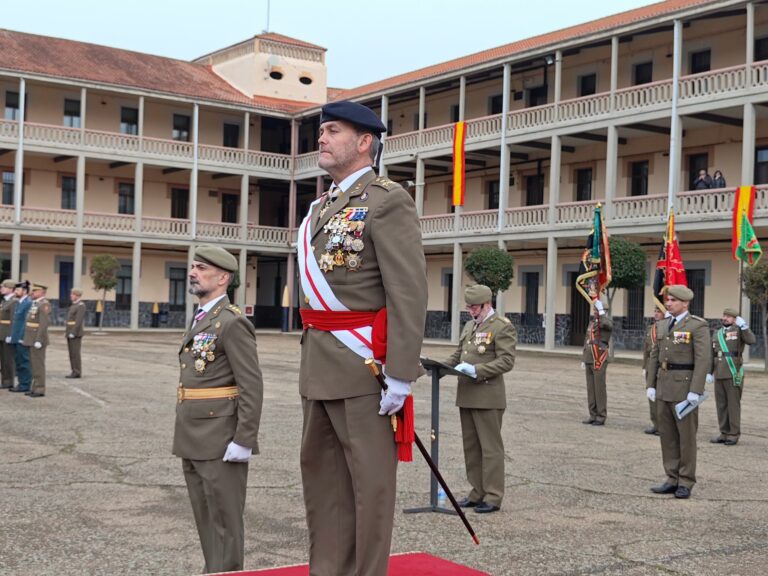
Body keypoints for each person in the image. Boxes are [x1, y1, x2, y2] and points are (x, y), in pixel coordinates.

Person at [297, 100, 427, 576]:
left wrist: (400, 374)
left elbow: (407, 291)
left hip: (363, 371)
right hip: (319, 367)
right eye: (321, 131)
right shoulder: (322, 207)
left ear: (365, 141)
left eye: (332, 130)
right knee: (323, 485)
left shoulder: (388, 199)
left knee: (368, 489)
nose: (322, 139)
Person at [172, 245, 264, 574]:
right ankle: (214, 569)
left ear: (223, 278)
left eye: (201, 268)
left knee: (225, 521)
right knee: (205, 519)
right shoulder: (202, 318)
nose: (193, 272)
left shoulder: (231, 323)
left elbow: (251, 385)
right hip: (192, 433)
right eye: (193, 267)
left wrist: (244, 439)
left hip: (220, 438)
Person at [444, 284, 516, 514]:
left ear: (487, 304)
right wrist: (433, 368)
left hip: (487, 396)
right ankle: (477, 492)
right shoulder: (469, 326)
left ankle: (493, 496)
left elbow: (506, 361)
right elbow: (458, 355)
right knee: (471, 448)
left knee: (490, 449)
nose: (470, 311)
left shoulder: (501, 327)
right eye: (468, 307)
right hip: (467, 395)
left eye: (474, 307)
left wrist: (478, 370)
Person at [646, 285, 711, 499]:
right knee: (667, 436)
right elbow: (655, 355)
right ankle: (671, 478)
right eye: (668, 300)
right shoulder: (664, 324)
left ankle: (686, 481)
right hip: (664, 386)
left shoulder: (697, 326)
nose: (668, 303)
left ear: (685, 303)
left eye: (673, 300)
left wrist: (696, 389)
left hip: (684, 389)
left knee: (686, 438)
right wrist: (651, 384)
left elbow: (703, 359)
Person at [709, 307, 755, 446]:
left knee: (733, 405)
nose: (725, 318)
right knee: (721, 405)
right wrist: (709, 372)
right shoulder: (717, 333)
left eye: (729, 316)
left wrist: (744, 326)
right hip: (719, 373)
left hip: (733, 372)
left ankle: (733, 434)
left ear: (735, 320)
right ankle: (724, 432)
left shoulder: (739, 330)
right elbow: (712, 353)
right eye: (724, 315)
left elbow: (751, 340)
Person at [582, 297, 613, 426]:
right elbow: (587, 340)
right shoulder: (592, 322)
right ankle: (593, 414)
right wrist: (583, 358)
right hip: (590, 357)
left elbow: (607, 325)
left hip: (599, 357)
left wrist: (601, 313)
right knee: (591, 388)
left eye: (597, 309)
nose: (594, 311)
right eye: (594, 309)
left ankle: (601, 415)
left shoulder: (606, 321)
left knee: (599, 388)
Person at [22, 283, 50, 398]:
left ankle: (40, 388)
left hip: (37, 339)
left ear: (42, 292)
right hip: (31, 338)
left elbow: (43, 324)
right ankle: (35, 387)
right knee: (33, 364)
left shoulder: (44, 304)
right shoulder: (36, 303)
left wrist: (39, 340)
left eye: (35, 291)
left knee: (38, 365)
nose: (32, 292)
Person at [642, 307, 666, 435]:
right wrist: (644, 366)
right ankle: (655, 424)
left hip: (662, 366)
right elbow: (646, 350)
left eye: (659, 311)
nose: (656, 314)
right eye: (655, 311)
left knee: (661, 397)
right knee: (651, 396)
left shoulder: (667, 328)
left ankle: (663, 425)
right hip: (650, 366)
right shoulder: (650, 329)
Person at [8, 280, 32, 394]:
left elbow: (26, 322)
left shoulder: (28, 303)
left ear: (25, 291)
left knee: (24, 361)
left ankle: (25, 384)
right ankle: (22, 383)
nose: (15, 291)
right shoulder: (19, 303)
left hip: (22, 338)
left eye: (18, 289)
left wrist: (23, 337)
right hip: (16, 337)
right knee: (18, 361)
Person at [65, 288, 86, 378]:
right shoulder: (74, 305)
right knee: (71, 353)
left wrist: (73, 332)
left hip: (76, 333)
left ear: (77, 295)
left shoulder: (81, 306)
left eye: (72, 294)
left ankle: (77, 371)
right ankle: (74, 370)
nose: (71, 296)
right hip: (70, 331)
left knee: (75, 353)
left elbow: (78, 321)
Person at [0, 279, 17, 389]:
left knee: (8, 359)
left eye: (3, 287)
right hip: (1, 332)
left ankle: (9, 381)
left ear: (10, 289)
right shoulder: (4, 301)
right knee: (3, 359)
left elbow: (13, 320)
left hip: (7, 333)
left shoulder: (13, 302)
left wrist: (11, 335)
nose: (1, 289)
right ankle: (4, 380)